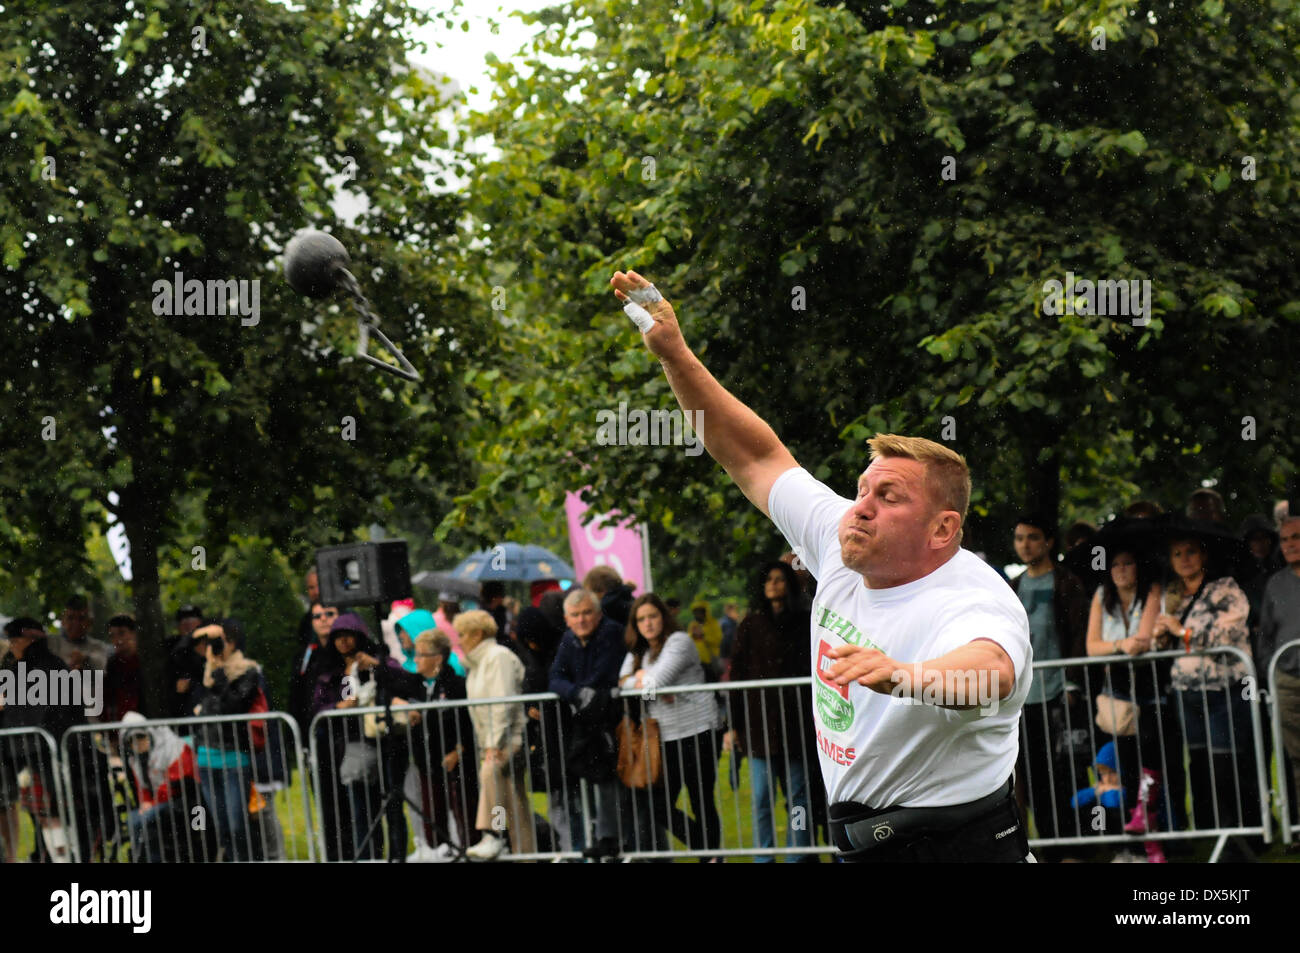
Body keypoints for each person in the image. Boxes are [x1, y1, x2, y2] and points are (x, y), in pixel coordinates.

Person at [609, 269, 1032, 862]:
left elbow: (992, 674)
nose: (861, 507)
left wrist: (903, 675)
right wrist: (676, 356)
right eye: (863, 489)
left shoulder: (972, 599)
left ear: (943, 529)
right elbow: (754, 454)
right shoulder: (841, 538)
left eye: (889, 498)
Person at [1153, 528, 1260, 834]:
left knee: (1228, 765)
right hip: (1187, 693)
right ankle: (1210, 830)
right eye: (1177, 554)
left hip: (1224, 691)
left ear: (1203, 556)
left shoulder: (1225, 589)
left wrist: (1181, 632)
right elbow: (1167, 644)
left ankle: (1244, 833)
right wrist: (1163, 635)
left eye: (1190, 552)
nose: (1184, 559)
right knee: (1200, 765)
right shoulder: (1171, 596)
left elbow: (1227, 638)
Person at [1009, 514, 1090, 854]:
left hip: (1057, 694)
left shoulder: (1066, 582)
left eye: (1032, 537)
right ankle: (1047, 848)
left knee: (1064, 774)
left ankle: (1073, 848)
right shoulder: (1011, 588)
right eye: (1019, 538)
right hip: (1021, 699)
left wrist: (1072, 684)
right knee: (1029, 777)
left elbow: (1078, 635)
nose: (1025, 544)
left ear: (1048, 543)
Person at [619, 593, 723, 858]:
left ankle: (709, 856)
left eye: (653, 616)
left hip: (698, 730)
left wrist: (644, 681)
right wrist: (643, 680)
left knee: (702, 800)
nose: (648, 623)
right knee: (659, 805)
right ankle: (709, 852)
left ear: (663, 617)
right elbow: (622, 684)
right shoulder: (638, 653)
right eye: (641, 619)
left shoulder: (679, 641)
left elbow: (656, 683)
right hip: (664, 737)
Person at [725, 560, 816, 862]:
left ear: (789, 584)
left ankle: (798, 852)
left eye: (780, 579)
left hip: (796, 724)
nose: (774, 584)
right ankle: (764, 856)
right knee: (762, 797)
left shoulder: (804, 622)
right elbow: (736, 675)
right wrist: (734, 724)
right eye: (769, 580)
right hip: (758, 726)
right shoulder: (750, 625)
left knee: (798, 798)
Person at [548, 588, 625, 857]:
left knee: (622, 783)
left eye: (587, 613)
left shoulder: (612, 632)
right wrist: (577, 693)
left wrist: (580, 691)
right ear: (567, 619)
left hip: (616, 722)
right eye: (575, 615)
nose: (581, 620)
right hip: (588, 725)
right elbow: (555, 677)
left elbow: (603, 675)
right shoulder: (568, 640)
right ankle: (605, 837)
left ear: (598, 613)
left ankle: (621, 840)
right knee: (592, 779)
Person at [395, 630, 478, 861]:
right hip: (426, 761)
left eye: (422, 654)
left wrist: (459, 750)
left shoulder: (457, 684)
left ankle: (471, 850)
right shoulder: (415, 684)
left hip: (456, 760)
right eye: (416, 653)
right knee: (432, 812)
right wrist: (403, 705)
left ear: (438, 658)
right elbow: (390, 688)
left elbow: (468, 722)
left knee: (465, 811)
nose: (417, 659)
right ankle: (437, 852)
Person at [459, 610, 535, 861]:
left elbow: (503, 703)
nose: (459, 640)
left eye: (462, 634)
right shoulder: (477, 663)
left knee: (490, 774)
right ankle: (525, 853)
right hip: (494, 741)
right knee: (512, 799)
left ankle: (492, 834)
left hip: (510, 739)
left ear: (478, 633)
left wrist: (494, 743)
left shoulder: (498, 657)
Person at [189, 618, 267, 863]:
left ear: (232, 643)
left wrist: (221, 675)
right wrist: (200, 633)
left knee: (237, 826)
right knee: (221, 828)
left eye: (220, 642)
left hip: (234, 759)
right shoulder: (207, 672)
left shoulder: (248, 671)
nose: (215, 648)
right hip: (207, 760)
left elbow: (233, 705)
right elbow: (181, 653)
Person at [1260, 510, 1300, 838]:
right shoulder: (1276, 583)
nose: (1289, 545)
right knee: (1297, 757)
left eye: (1296, 537)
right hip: (1288, 681)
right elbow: (1266, 637)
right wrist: (1270, 673)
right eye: (1284, 540)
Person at [120, 711, 205, 862]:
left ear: (148, 733)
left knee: (148, 819)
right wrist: (145, 802)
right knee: (133, 820)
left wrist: (152, 804)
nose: (137, 742)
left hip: (185, 799)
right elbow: (142, 786)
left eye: (140, 736)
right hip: (160, 802)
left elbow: (175, 783)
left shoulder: (171, 746)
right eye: (132, 739)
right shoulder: (134, 759)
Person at [289, 602, 338, 737]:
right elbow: (298, 696)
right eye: (317, 616)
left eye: (329, 614)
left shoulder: (349, 651)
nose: (323, 619)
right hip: (316, 730)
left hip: (345, 728)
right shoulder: (305, 656)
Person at [47, 595, 110, 674]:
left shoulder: (97, 647)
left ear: (90, 622)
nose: (76, 623)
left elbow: (102, 666)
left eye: (81, 618)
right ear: (62, 620)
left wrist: (85, 659)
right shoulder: (50, 643)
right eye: (71, 618)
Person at [165, 605, 206, 718]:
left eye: (192, 619)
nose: (187, 623)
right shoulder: (171, 647)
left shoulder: (211, 644)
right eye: (183, 620)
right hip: (182, 710)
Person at [103, 615, 143, 723]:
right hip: (121, 727)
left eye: (121, 633)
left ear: (133, 633)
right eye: (112, 635)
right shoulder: (112, 665)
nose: (117, 640)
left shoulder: (145, 662)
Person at [686, 599, 724, 679]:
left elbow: (718, 640)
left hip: (710, 661)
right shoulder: (693, 624)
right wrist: (692, 635)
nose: (697, 614)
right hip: (696, 662)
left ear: (705, 612)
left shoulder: (713, 623)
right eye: (695, 612)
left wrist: (703, 636)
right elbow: (687, 640)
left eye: (699, 612)